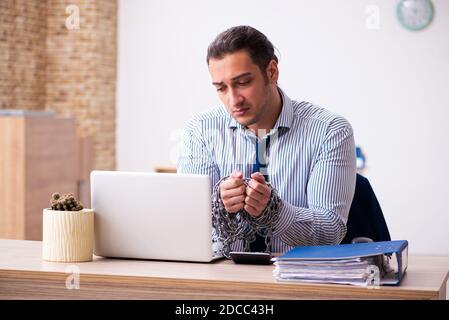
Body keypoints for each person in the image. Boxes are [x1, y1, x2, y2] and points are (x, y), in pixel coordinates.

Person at [177, 25, 356, 255]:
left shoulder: (329, 131)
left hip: (296, 280)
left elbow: (331, 231)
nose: (233, 100)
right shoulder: (199, 131)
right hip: (221, 278)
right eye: (221, 88)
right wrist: (219, 206)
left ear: (272, 72)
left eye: (242, 83)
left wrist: (275, 211)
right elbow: (187, 225)